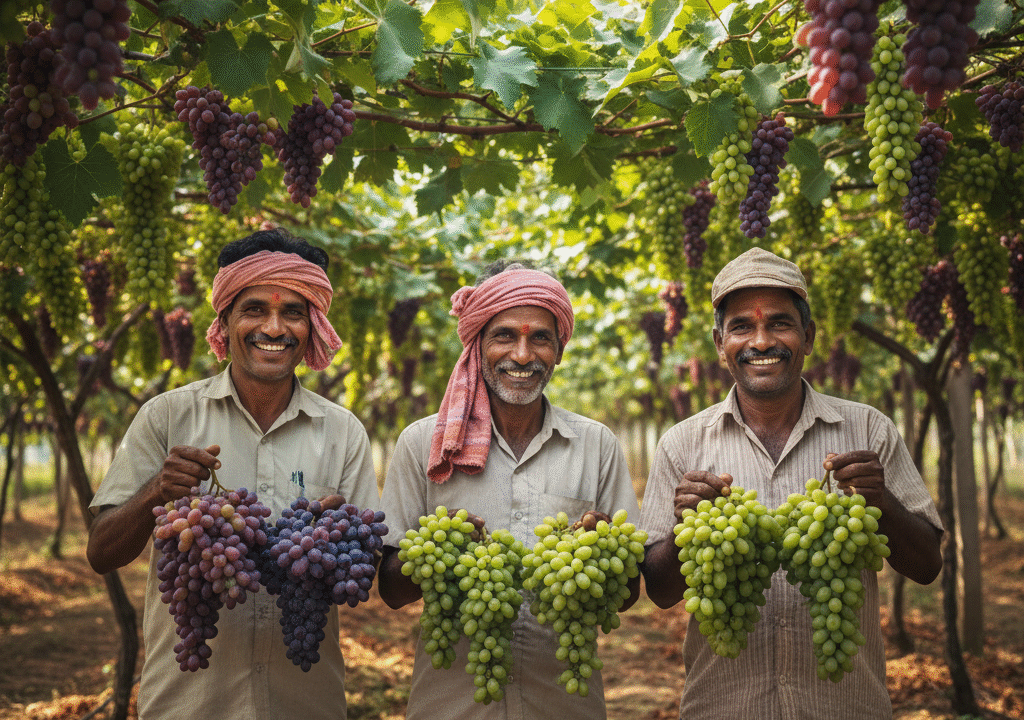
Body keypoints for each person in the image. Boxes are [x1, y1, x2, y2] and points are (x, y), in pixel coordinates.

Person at [639, 246, 943, 719]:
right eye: (742, 326)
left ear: (808, 336)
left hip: (844, 708)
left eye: (779, 323)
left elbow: (927, 566)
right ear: (720, 343)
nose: (761, 341)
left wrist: (881, 502)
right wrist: (686, 530)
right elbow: (660, 593)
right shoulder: (682, 444)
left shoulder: (869, 429)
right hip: (724, 708)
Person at [86, 228, 378, 720]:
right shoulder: (166, 417)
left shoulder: (343, 431)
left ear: (313, 326)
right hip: (188, 705)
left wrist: (340, 534)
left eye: (293, 312)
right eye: (254, 309)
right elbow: (101, 553)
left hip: (306, 705)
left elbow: (364, 574)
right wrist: (156, 491)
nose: (274, 327)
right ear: (224, 321)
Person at [377, 260, 641, 719]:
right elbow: (392, 590)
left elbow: (629, 591)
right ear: (476, 344)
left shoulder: (596, 445)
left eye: (540, 337)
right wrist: (437, 548)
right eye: (504, 336)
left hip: (562, 705)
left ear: (559, 350)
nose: (522, 355)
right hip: (451, 708)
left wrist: (602, 549)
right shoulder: (423, 444)